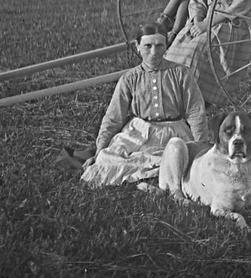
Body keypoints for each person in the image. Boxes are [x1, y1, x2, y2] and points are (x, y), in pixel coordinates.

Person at [81, 23, 208, 187]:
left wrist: (201, 147)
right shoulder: (129, 78)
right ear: (138, 46)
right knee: (106, 158)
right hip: (138, 131)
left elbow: (196, 112)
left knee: (182, 159)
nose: (154, 52)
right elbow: (114, 117)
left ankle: (157, 174)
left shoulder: (181, 73)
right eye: (148, 46)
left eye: (159, 45)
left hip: (173, 132)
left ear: (166, 46)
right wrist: (99, 150)